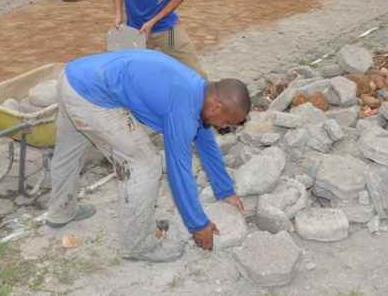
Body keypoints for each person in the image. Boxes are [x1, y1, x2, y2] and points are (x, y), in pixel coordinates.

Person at [46, 49, 250, 262]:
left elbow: (206, 141)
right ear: (217, 107)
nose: (224, 127)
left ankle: (61, 212)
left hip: (73, 77)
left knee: (68, 152)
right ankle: (138, 246)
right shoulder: (183, 111)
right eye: (227, 122)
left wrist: (224, 190)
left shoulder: (199, 90)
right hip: (92, 97)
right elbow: (178, 171)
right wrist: (198, 225)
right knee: (144, 165)